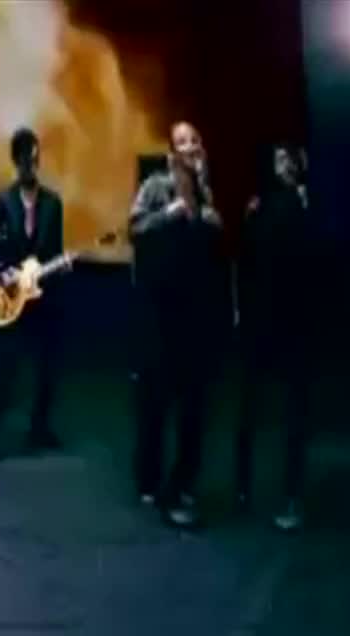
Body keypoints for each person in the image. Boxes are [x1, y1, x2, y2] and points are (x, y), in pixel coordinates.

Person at [128, 121, 231, 529]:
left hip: (195, 316)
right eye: (182, 143)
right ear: (172, 153)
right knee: (155, 403)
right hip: (160, 314)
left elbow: (214, 241)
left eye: (195, 141)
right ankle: (149, 479)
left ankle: (182, 482)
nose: (190, 148)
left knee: (194, 407)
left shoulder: (206, 193)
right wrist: (168, 214)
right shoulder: (156, 187)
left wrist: (206, 211)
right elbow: (135, 228)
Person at [0, 127, 65, 463]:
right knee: (5, 365)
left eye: (35, 158)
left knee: (48, 365)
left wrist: (59, 267)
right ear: (16, 161)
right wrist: (4, 273)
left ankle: (40, 428)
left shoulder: (53, 204)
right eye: (26, 159)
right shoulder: (4, 201)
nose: (31, 165)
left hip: (42, 296)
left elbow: (54, 252)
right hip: (10, 297)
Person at [236, 144, 314, 532]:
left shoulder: (290, 207)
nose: (285, 166)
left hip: (286, 322)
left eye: (290, 160)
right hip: (272, 320)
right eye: (279, 159)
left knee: (282, 410)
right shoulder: (268, 208)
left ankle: (273, 493)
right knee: (260, 407)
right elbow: (248, 262)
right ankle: (251, 489)